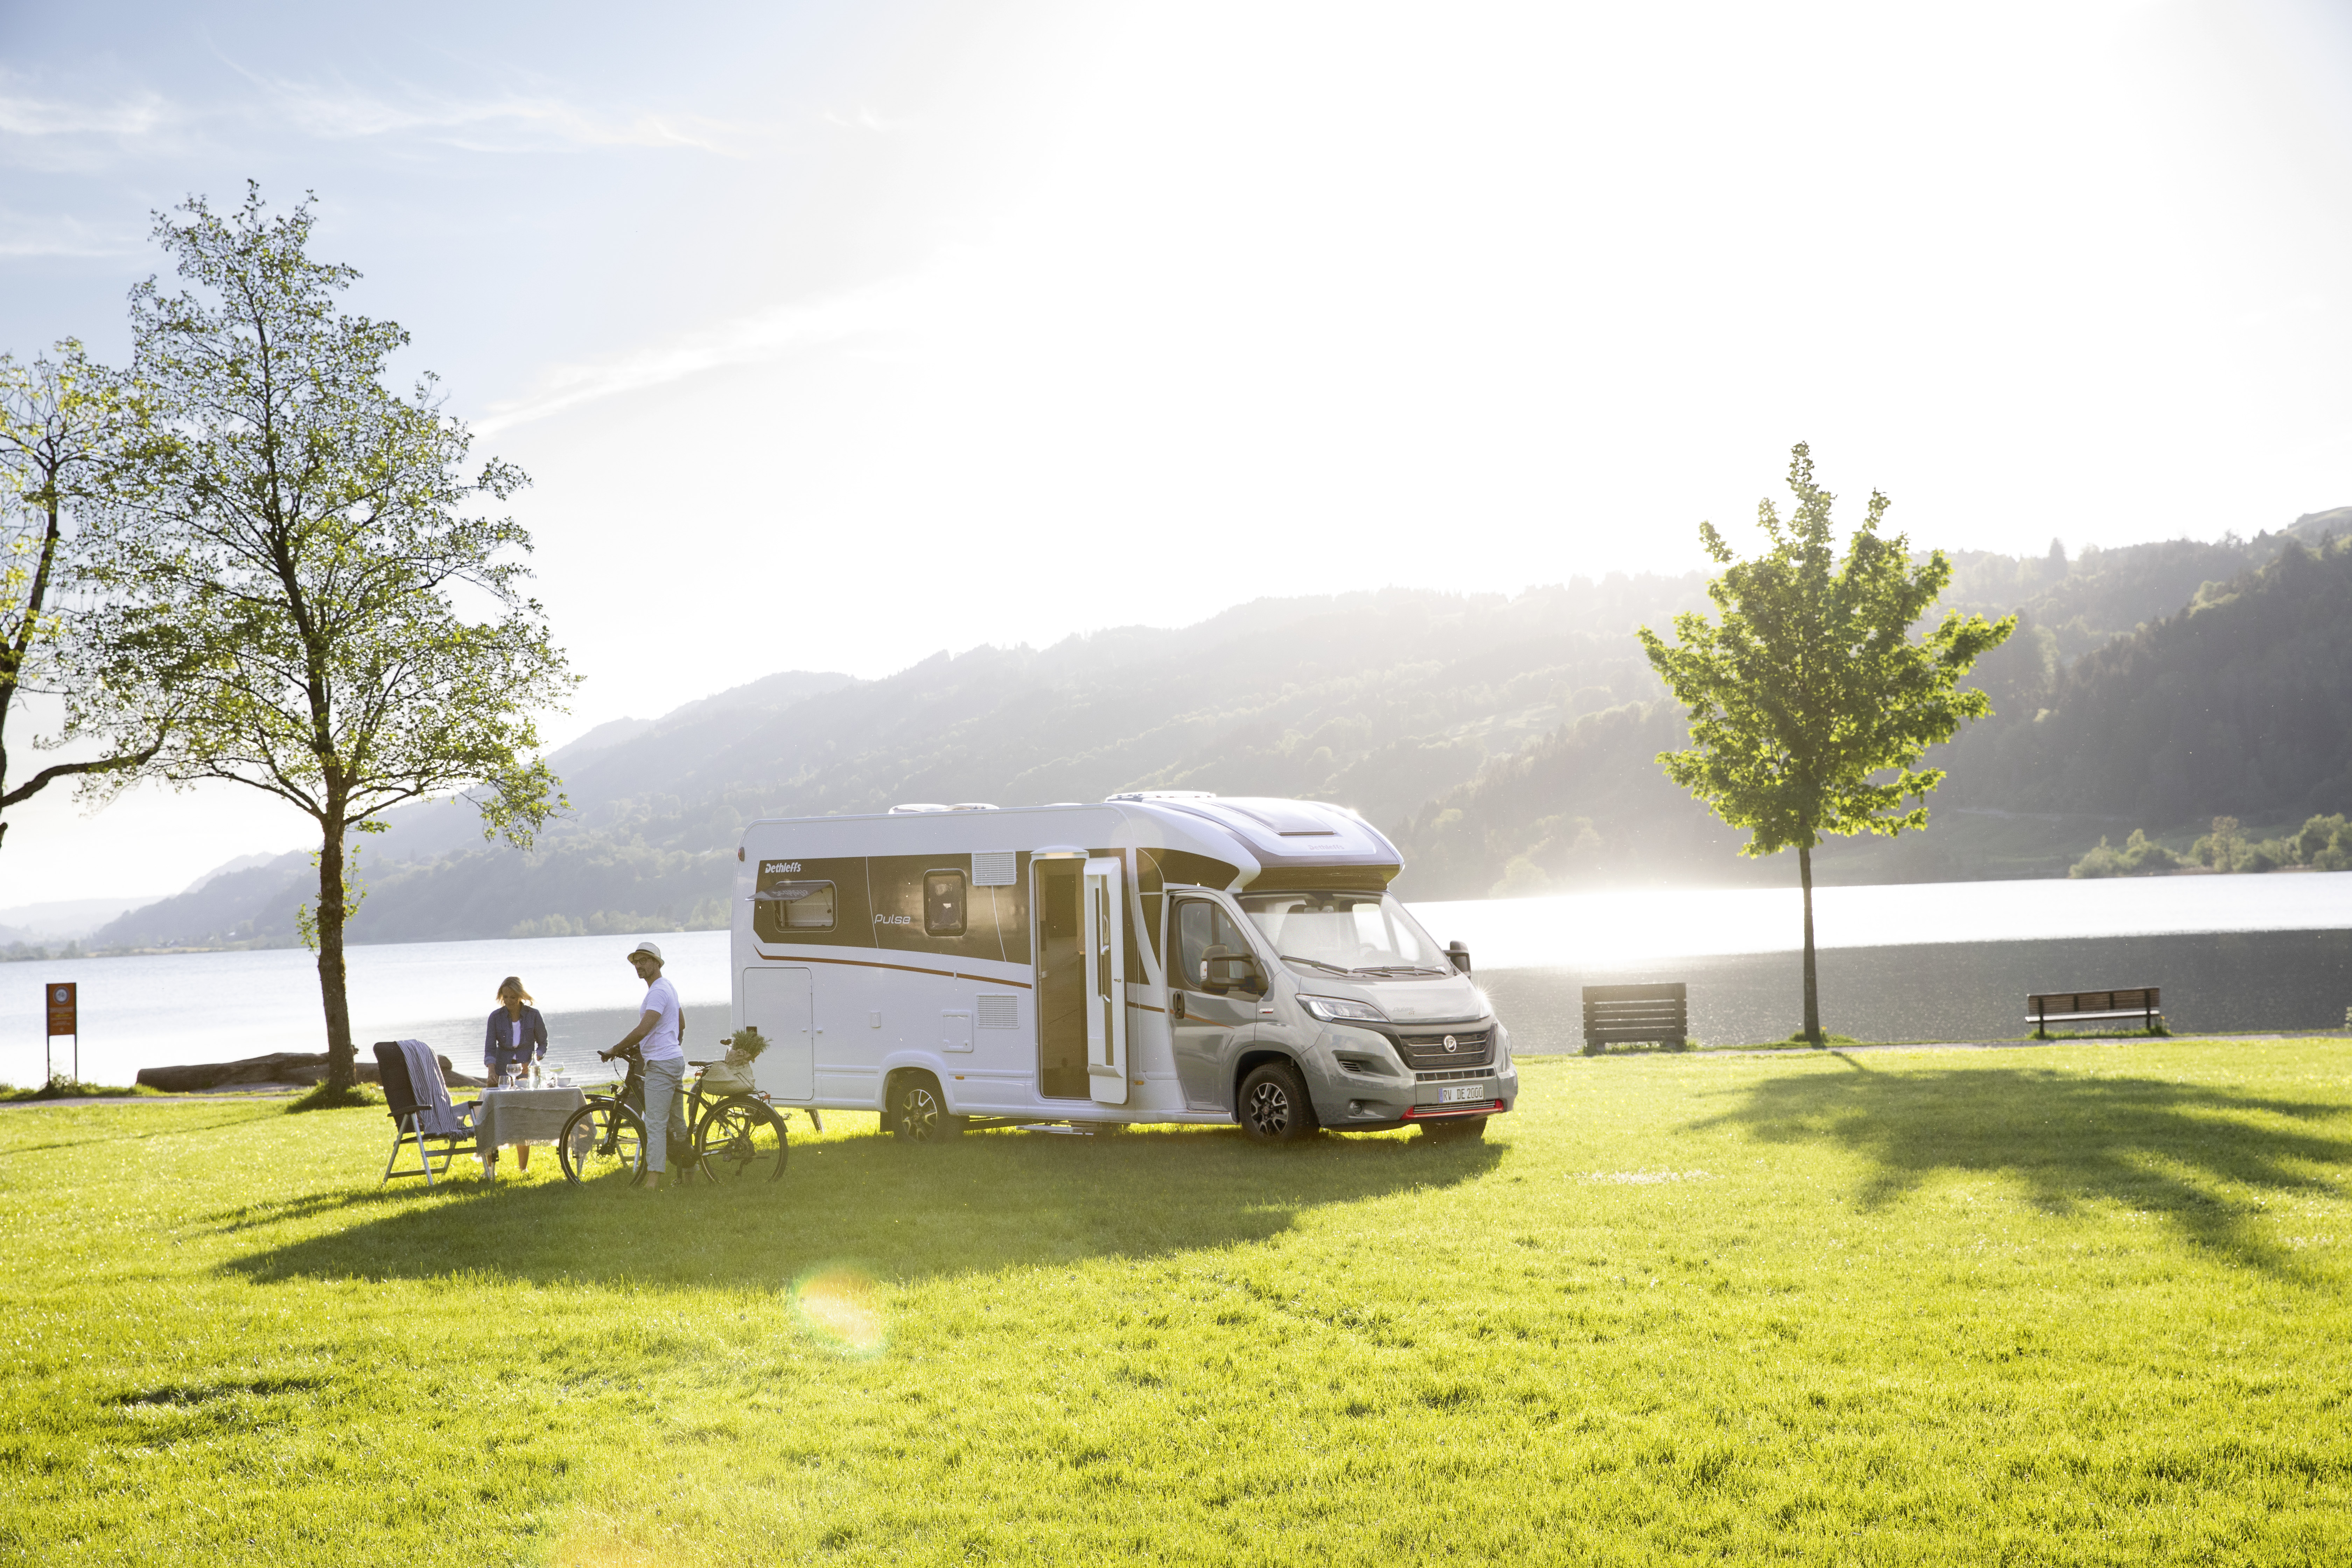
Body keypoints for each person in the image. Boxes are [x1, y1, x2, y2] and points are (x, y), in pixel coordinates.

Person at [602, 939, 693, 1191]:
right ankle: (690, 1175)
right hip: (672, 1060)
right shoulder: (667, 987)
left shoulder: (658, 991)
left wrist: (616, 1048)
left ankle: (652, 1182)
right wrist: (671, 1043)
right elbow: (681, 1023)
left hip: (662, 1064)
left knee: (654, 1122)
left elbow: (644, 1029)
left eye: (644, 961)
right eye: (636, 962)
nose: (639, 966)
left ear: (656, 963)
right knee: (677, 1121)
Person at [483, 976, 551, 1171]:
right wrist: (491, 1070)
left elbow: (544, 1043)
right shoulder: (495, 1017)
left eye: (513, 997)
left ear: (521, 996)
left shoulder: (534, 1015)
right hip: (502, 1071)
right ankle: (491, 1169)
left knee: (522, 1117)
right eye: (506, 997)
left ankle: (523, 1169)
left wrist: (534, 1061)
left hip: (526, 1071)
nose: (509, 1001)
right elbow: (490, 1048)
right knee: (493, 1116)